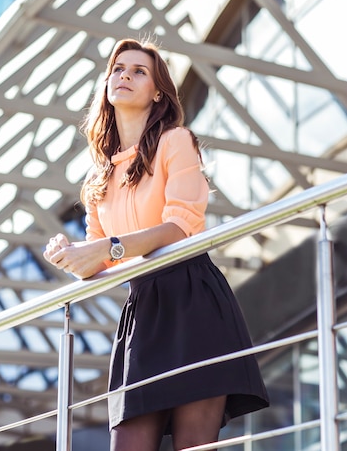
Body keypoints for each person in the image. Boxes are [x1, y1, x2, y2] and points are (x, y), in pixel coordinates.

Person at [43, 38, 269, 451]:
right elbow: (97, 259)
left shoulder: (175, 140)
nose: (124, 75)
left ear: (158, 92)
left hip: (193, 300)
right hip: (143, 312)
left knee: (193, 444)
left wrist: (107, 248)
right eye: (118, 68)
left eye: (138, 71)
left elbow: (181, 225)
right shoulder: (100, 177)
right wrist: (69, 252)